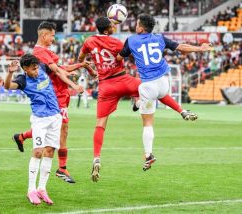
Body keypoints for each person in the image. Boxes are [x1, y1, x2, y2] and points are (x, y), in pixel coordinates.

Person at [78, 17, 199, 182]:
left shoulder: (89, 41)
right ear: (107, 30)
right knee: (154, 91)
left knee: (100, 123)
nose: (115, 25)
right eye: (112, 25)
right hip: (124, 80)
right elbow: (127, 54)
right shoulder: (117, 42)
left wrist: (89, 67)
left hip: (106, 86)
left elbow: (81, 57)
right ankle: (177, 110)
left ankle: (96, 158)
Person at [117, 14, 212, 171]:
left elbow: (120, 57)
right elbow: (182, 47)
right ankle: (181, 111)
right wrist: (200, 48)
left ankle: (148, 155)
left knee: (147, 123)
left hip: (147, 85)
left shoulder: (131, 40)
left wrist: (124, 56)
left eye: (136, 24)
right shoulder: (160, 38)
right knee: (160, 96)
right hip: (163, 82)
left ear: (141, 28)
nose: (135, 26)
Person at [12, 21, 90, 184]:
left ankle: (21, 136)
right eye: (53, 35)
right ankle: (62, 168)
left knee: (56, 129)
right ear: (43, 35)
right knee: (62, 129)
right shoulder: (40, 52)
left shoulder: (45, 51)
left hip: (61, 94)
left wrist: (79, 65)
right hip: (55, 97)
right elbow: (57, 71)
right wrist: (73, 84)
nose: (54, 39)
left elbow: (60, 68)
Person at [5, 54, 62, 205]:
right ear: (25, 69)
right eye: (33, 69)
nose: (36, 71)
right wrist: (10, 72)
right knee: (38, 152)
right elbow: (7, 86)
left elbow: (58, 69)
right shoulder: (22, 80)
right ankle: (31, 190)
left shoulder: (42, 68)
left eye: (37, 67)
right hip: (40, 119)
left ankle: (42, 189)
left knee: (50, 152)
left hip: (56, 116)